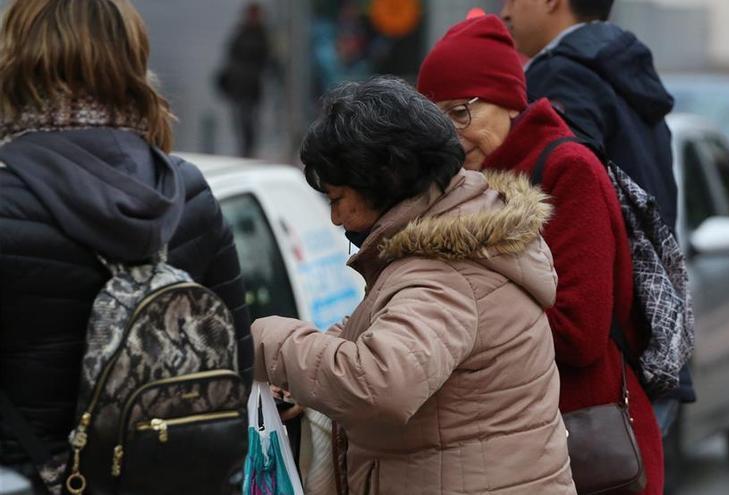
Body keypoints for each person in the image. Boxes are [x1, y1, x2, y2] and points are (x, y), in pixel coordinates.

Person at [250, 76, 576, 495]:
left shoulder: (444, 274)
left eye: (336, 199)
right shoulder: (457, 239)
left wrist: (269, 343)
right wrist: (308, 377)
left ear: (384, 181)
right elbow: (384, 331)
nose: (334, 219)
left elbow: (380, 385)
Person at [0, 0, 252, 491]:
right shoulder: (188, 192)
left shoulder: (7, 202)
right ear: (132, 62)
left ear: (17, 61)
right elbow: (236, 368)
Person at [417, 15, 663, 493]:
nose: (450, 134)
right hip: (516, 444)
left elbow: (580, 332)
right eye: (435, 119)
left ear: (509, 99)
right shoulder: (465, 184)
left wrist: (463, 318)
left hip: (585, 445)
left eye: (461, 112)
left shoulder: (566, 170)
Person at [500, 0, 696, 430]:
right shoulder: (624, 68)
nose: (504, 9)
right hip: (651, 338)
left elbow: (574, 196)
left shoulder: (558, 76)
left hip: (603, 362)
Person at [217, 2, 275, 157]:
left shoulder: (263, 35)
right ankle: (244, 148)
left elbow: (268, 61)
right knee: (240, 118)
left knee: (249, 118)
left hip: (253, 84)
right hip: (239, 84)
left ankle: (249, 149)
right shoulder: (241, 32)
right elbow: (230, 56)